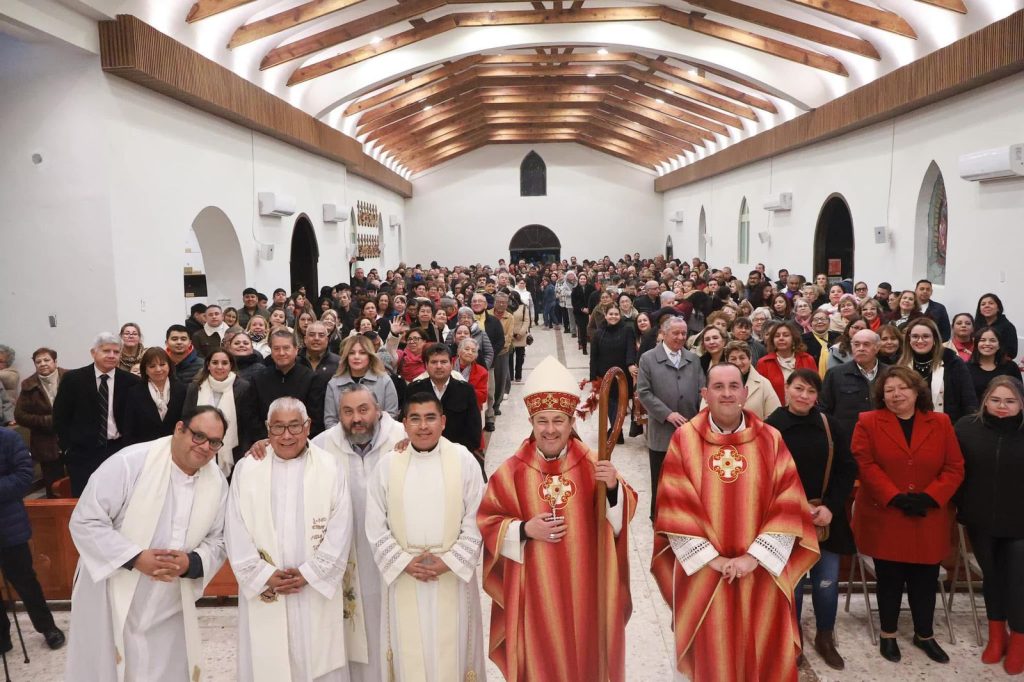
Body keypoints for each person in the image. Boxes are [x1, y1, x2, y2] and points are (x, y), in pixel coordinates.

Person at [651, 362, 820, 681]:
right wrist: (713, 560)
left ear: (745, 393)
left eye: (733, 387)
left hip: (761, 571)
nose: (726, 394)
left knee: (763, 645)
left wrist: (751, 559)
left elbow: (787, 503)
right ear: (705, 394)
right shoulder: (684, 441)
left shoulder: (770, 439)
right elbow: (674, 506)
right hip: (704, 572)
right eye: (718, 387)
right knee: (712, 652)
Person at [478, 355, 637, 681]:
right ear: (532, 423)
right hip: (534, 594)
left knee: (587, 659)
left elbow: (620, 521)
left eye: (558, 421)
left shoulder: (595, 465)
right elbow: (488, 521)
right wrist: (523, 529)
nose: (550, 430)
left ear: (570, 422)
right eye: (542, 421)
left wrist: (611, 489)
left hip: (587, 590)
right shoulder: (511, 472)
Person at [67, 407, 229, 682]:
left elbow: (219, 539)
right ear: (179, 429)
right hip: (111, 595)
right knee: (107, 671)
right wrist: (134, 557)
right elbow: (86, 521)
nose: (205, 447)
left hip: (168, 604)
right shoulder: (131, 462)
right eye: (198, 436)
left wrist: (192, 563)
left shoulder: (216, 483)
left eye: (214, 442)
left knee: (164, 671)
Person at [226, 398, 354, 682]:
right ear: (267, 430)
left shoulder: (330, 467)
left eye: (294, 426)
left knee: (317, 659)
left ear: (307, 426)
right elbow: (234, 527)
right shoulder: (248, 469)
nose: (286, 435)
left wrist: (311, 573)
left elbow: (341, 526)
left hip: (312, 588)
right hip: (266, 588)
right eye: (278, 427)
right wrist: (262, 574)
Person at [364, 393, 486, 681]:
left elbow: (478, 518)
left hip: (452, 576)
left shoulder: (464, 460)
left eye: (430, 417)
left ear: (443, 422)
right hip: (405, 574)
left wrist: (451, 561)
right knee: (408, 661)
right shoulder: (387, 465)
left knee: (453, 655)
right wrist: (404, 561)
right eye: (415, 419)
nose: (423, 426)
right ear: (404, 424)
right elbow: (375, 524)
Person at [851, 366, 965, 663]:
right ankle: (888, 634)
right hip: (886, 514)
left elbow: (954, 467)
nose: (896, 395)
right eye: (889, 390)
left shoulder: (941, 422)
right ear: (881, 395)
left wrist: (930, 496)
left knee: (925, 578)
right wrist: (895, 497)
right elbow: (865, 463)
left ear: (917, 391)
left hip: (928, 515)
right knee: (889, 577)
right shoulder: (868, 422)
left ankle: (924, 634)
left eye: (902, 388)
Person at [313, 383, 407, 681]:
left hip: (394, 553)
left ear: (378, 410)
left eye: (363, 410)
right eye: (348, 411)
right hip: (346, 554)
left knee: (393, 628)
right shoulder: (321, 446)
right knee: (353, 631)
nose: (357, 418)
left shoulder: (404, 438)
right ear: (338, 414)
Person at [766, 370, 857, 671]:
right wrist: (794, 507)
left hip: (824, 518)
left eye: (810, 391)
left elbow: (846, 468)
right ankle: (793, 640)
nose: (804, 396)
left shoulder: (830, 425)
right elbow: (764, 476)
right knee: (792, 584)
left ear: (818, 395)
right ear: (786, 388)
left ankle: (825, 636)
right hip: (786, 518)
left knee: (827, 583)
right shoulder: (771, 427)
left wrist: (831, 506)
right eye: (798, 389)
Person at [955, 377, 1024, 673]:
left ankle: (1019, 641)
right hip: (980, 518)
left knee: (1017, 582)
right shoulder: (966, 428)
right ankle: (997, 636)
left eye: (1010, 401)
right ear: (985, 400)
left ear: (1021, 403)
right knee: (992, 578)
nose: (1002, 407)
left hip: (1020, 522)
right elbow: (953, 467)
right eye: (996, 400)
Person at [0, 427, 64, 653]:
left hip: (9, 526)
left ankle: (47, 627)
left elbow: (24, 475)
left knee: (25, 581)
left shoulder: (7, 438)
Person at [53, 332, 141, 497]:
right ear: (93, 352)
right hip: (83, 452)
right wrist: (67, 448)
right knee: (85, 498)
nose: (111, 355)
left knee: (119, 496)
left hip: (119, 449)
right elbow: (60, 417)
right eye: (106, 351)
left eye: (116, 352)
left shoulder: (131, 382)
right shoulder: (73, 379)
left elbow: (136, 419)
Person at [636, 316, 705, 519]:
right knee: (661, 478)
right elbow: (644, 392)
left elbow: (702, 390)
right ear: (663, 334)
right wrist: (667, 414)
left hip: (690, 430)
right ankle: (658, 518)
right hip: (662, 432)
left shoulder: (693, 359)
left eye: (684, 333)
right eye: (675, 333)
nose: (681, 337)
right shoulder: (648, 358)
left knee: (688, 478)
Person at [407, 344, 484, 475]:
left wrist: (455, 454)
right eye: (434, 362)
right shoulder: (414, 390)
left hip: (458, 457)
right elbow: (406, 425)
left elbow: (474, 432)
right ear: (426, 365)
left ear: (451, 364)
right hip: (421, 457)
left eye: (443, 362)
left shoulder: (465, 390)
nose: (439, 366)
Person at [184, 349, 257, 478]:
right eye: (215, 362)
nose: (219, 367)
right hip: (199, 445)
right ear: (208, 365)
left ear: (231, 366)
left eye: (224, 363)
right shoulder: (195, 387)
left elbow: (246, 425)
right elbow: (186, 419)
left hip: (233, 450)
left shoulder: (244, 387)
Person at [251, 329, 326, 439]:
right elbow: (253, 417)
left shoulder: (311, 379)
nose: (281, 353)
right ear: (271, 351)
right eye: (276, 348)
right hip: (266, 443)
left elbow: (315, 419)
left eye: (286, 348)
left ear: (296, 350)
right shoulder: (258, 379)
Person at [900, 317, 978, 423]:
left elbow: (969, 401)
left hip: (947, 427)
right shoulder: (901, 365)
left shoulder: (953, 362)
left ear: (935, 339)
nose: (920, 340)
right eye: (915, 336)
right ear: (909, 339)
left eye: (926, 336)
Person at [14, 347, 67, 496]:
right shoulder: (28, 384)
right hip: (45, 443)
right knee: (53, 485)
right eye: (38, 362)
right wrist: (47, 421)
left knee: (77, 481)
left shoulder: (70, 377)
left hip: (71, 440)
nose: (43, 364)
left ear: (55, 361)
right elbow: (20, 415)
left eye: (47, 360)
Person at [325, 335, 400, 426]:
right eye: (351, 353)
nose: (356, 357)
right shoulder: (334, 384)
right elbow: (330, 421)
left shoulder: (384, 380)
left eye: (362, 353)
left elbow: (391, 416)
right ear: (346, 356)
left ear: (370, 356)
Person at [589, 306, 637, 442]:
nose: (614, 316)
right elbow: (594, 357)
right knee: (610, 404)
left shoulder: (627, 330)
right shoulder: (598, 333)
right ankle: (618, 431)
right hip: (604, 375)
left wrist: (630, 364)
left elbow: (630, 349)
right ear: (605, 315)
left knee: (621, 404)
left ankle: (616, 430)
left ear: (620, 315)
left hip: (622, 374)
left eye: (616, 314)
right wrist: (593, 377)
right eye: (611, 314)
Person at [122, 347, 187, 446]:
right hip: (144, 449)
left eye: (162, 364)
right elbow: (129, 428)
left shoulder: (182, 389)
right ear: (145, 370)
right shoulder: (134, 392)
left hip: (175, 448)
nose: (158, 369)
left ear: (169, 366)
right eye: (152, 366)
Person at [701, 341, 779, 419]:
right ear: (727, 361)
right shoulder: (714, 382)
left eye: (742, 358)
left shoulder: (764, 384)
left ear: (750, 359)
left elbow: (775, 416)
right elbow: (703, 414)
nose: (738, 362)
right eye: (733, 359)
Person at [757, 321, 818, 404]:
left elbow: (815, 388)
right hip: (775, 411)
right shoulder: (764, 363)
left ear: (793, 339)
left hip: (805, 409)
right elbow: (760, 393)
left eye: (786, 335)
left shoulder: (807, 359)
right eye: (777, 336)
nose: (781, 338)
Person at [967, 325, 1023, 402]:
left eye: (992, 340)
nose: (987, 343)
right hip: (974, 412)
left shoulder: (1011, 367)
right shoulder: (966, 368)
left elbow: (1019, 394)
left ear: (999, 345)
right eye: (982, 340)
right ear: (976, 345)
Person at [976, 292, 1019, 360]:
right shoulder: (976, 325)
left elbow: (1011, 353)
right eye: (983, 304)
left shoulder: (1008, 327)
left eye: (991, 303)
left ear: (998, 307)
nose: (987, 306)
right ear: (980, 310)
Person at [803, 309, 839, 378]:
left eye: (823, 319)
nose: (819, 322)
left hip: (835, 378)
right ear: (811, 323)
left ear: (829, 322)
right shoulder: (803, 339)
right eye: (816, 320)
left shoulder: (837, 337)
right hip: (812, 379)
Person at [509, 290, 531, 383]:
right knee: (509, 358)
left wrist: (520, 333)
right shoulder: (507, 308)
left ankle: (518, 375)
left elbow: (526, 321)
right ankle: (510, 376)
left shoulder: (523, 307)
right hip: (509, 336)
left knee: (520, 357)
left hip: (520, 336)